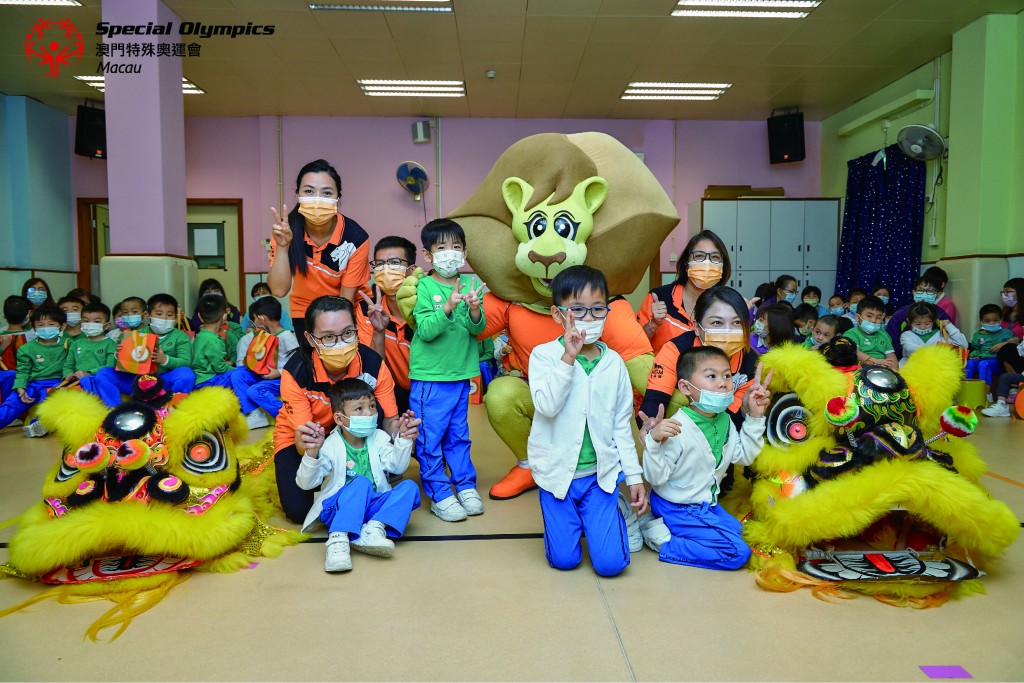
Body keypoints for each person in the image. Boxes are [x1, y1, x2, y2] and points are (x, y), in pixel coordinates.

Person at [528, 265, 647, 577]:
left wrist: (634, 477)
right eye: (578, 310)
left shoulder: (614, 363)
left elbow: (621, 425)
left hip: (599, 477)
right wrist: (568, 358)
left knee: (611, 565)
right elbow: (547, 406)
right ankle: (576, 521)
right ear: (558, 314)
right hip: (556, 477)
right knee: (564, 561)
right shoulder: (543, 356)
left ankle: (612, 513)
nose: (589, 318)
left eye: (597, 309)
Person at [640, 347, 771, 569]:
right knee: (737, 553)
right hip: (677, 506)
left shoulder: (724, 420)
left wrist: (755, 417)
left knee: (746, 535)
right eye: (711, 376)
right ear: (685, 387)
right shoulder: (678, 427)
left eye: (727, 375)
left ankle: (678, 530)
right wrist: (653, 442)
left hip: (705, 505)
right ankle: (662, 541)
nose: (723, 383)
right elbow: (656, 478)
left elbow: (744, 457)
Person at [274, 295, 401, 524]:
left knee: (373, 407)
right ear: (310, 339)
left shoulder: (373, 364)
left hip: (354, 434)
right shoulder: (296, 373)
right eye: (328, 337)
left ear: (356, 330)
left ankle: (370, 468)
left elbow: (390, 421)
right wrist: (317, 451)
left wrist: (403, 436)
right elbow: (303, 442)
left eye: (347, 333)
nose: (340, 343)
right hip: (306, 438)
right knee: (298, 511)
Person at [295, 378, 422, 573]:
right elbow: (306, 483)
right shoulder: (330, 444)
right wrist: (312, 454)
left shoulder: (379, 437)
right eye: (359, 409)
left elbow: (396, 466)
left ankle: (374, 528)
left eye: (372, 406)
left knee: (410, 488)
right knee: (361, 482)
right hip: (337, 508)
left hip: (370, 507)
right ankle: (338, 539)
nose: (369, 413)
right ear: (340, 419)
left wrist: (404, 439)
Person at [409, 219, 487, 522]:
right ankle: (439, 492)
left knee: (458, 436)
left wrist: (475, 309)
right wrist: (447, 308)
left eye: (456, 247)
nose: (450, 253)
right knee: (430, 438)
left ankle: (465, 485)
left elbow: (476, 330)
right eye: (442, 247)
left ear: (464, 252)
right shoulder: (425, 286)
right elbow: (426, 331)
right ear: (428, 255)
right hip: (431, 377)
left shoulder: (469, 285)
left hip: (460, 375)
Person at [267, 159, 371, 341]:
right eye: (309, 191)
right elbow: (278, 290)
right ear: (297, 195)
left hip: (349, 308)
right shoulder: (286, 231)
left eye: (326, 193)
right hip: (305, 309)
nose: (317, 200)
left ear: (338, 198)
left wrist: (333, 336)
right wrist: (283, 248)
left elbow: (345, 300)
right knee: (311, 357)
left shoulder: (356, 238)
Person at [640, 286, 759, 434]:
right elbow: (654, 402)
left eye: (737, 323)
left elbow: (732, 422)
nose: (727, 331)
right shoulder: (675, 350)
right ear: (697, 327)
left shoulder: (750, 362)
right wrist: (651, 426)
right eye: (717, 323)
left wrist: (747, 410)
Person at [637, 230, 730, 354]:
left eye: (715, 257)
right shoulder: (659, 297)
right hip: (662, 366)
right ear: (686, 262)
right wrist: (654, 323)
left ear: (723, 265)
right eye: (699, 256)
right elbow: (635, 346)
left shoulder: (727, 305)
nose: (707, 264)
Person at [94, 294, 195, 407]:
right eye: (159, 314)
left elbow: (186, 362)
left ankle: (172, 407)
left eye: (169, 315)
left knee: (186, 374)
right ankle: (115, 409)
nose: (164, 318)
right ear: (148, 315)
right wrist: (120, 357)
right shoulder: (135, 335)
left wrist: (164, 360)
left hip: (163, 381)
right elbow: (120, 366)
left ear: (175, 317)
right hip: (137, 382)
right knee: (104, 373)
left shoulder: (180, 336)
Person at [357, 236, 417, 415]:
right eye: (379, 264)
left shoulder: (426, 310)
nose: (386, 270)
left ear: (412, 270)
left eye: (394, 263)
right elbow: (373, 366)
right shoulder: (366, 309)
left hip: (430, 389)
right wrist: (379, 331)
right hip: (391, 390)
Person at [231, 295, 299, 429]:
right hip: (264, 375)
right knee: (237, 374)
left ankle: (285, 416)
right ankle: (254, 413)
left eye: (255, 319)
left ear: (261, 318)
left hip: (281, 379)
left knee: (254, 391)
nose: (255, 324)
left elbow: (297, 365)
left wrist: (278, 373)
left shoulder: (287, 337)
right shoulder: (264, 336)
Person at [0, 304, 67, 435]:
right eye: (40, 325)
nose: (45, 328)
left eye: (51, 324)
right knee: (12, 403)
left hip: (58, 383)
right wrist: (20, 387)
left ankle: (37, 425)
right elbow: (22, 371)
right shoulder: (26, 348)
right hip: (32, 383)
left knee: (47, 402)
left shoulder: (69, 344)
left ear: (62, 326)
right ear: (33, 326)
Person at [885, 274, 952, 357]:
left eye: (930, 291)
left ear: (936, 294)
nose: (925, 294)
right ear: (914, 293)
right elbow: (890, 343)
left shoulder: (942, 316)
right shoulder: (899, 315)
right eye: (920, 290)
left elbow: (951, 341)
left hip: (936, 358)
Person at [61, 301, 116, 400]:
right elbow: (68, 365)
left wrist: (89, 373)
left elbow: (109, 367)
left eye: (96, 322)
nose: (90, 324)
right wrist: (68, 374)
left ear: (107, 325)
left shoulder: (111, 344)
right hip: (77, 381)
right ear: (81, 322)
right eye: (86, 321)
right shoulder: (76, 343)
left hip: (99, 381)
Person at [898, 302, 967, 368]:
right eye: (917, 324)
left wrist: (949, 326)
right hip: (910, 370)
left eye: (927, 323)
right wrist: (939, 349)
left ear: (934, 321)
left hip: (936, 371)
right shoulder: (906, 335)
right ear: (909, 321)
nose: (922, 327)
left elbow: (963, 345)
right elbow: (910, 348)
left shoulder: (940, 335)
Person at [190, 294, 236, 389]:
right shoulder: (214, 340)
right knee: (241, 374)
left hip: (198, 380)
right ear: (224, 315)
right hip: (209, 381)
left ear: (199, 316)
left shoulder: (200, 335)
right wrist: (235, 370)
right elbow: (220, 368)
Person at [966, 304, 1014, 395]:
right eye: (987, 321)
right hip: (981, 359)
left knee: (984, 364)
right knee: (970, 363)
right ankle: (966, 392)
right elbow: (976, 349)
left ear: (1001, 319)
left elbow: (1015, 346)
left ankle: (985, 395)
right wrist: (973, 355)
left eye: (995, 320)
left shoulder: (1007, 333)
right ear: (981, 321)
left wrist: (1015, 340)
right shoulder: (978, 335)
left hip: (997, 362)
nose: (991, 323)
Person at [991, 278, 1024, 402]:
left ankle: (1015, 385)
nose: (1005, 295)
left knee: (1007, 349)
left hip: (1019, 353)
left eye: (1008, 292)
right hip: (998, 349)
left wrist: (1016, 340)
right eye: (1004, 292)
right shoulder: (1002, 313)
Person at [844, 295, 897, 369]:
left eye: (878, 317)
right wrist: (877, 361)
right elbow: (856, 353)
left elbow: (891, 356)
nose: (873, 320)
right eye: (869, 316)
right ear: (857, 317)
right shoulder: (851, 334)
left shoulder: (884, 335)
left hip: (882, 370)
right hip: (859, 369)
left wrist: (895, 373)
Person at [0, 296, 33, 400]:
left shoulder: (2, 336)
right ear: (28, 314)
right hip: (27, 381)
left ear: (4, 316)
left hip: (4, 384)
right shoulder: (33, 336)